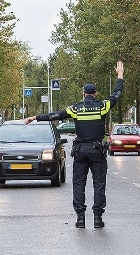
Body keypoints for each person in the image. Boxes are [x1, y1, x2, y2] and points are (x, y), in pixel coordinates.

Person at [25, 60, 125, 229]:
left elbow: (55, 115)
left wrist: (34, 118)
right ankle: (98, 218)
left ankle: (80, 218)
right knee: (99, 184)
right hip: (97, 151)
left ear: (83, 94)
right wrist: (120, 75)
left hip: (81, 151)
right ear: (96, 94)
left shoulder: (76, 109)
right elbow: (116, 94)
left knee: (79, 183)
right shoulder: (103, 106)